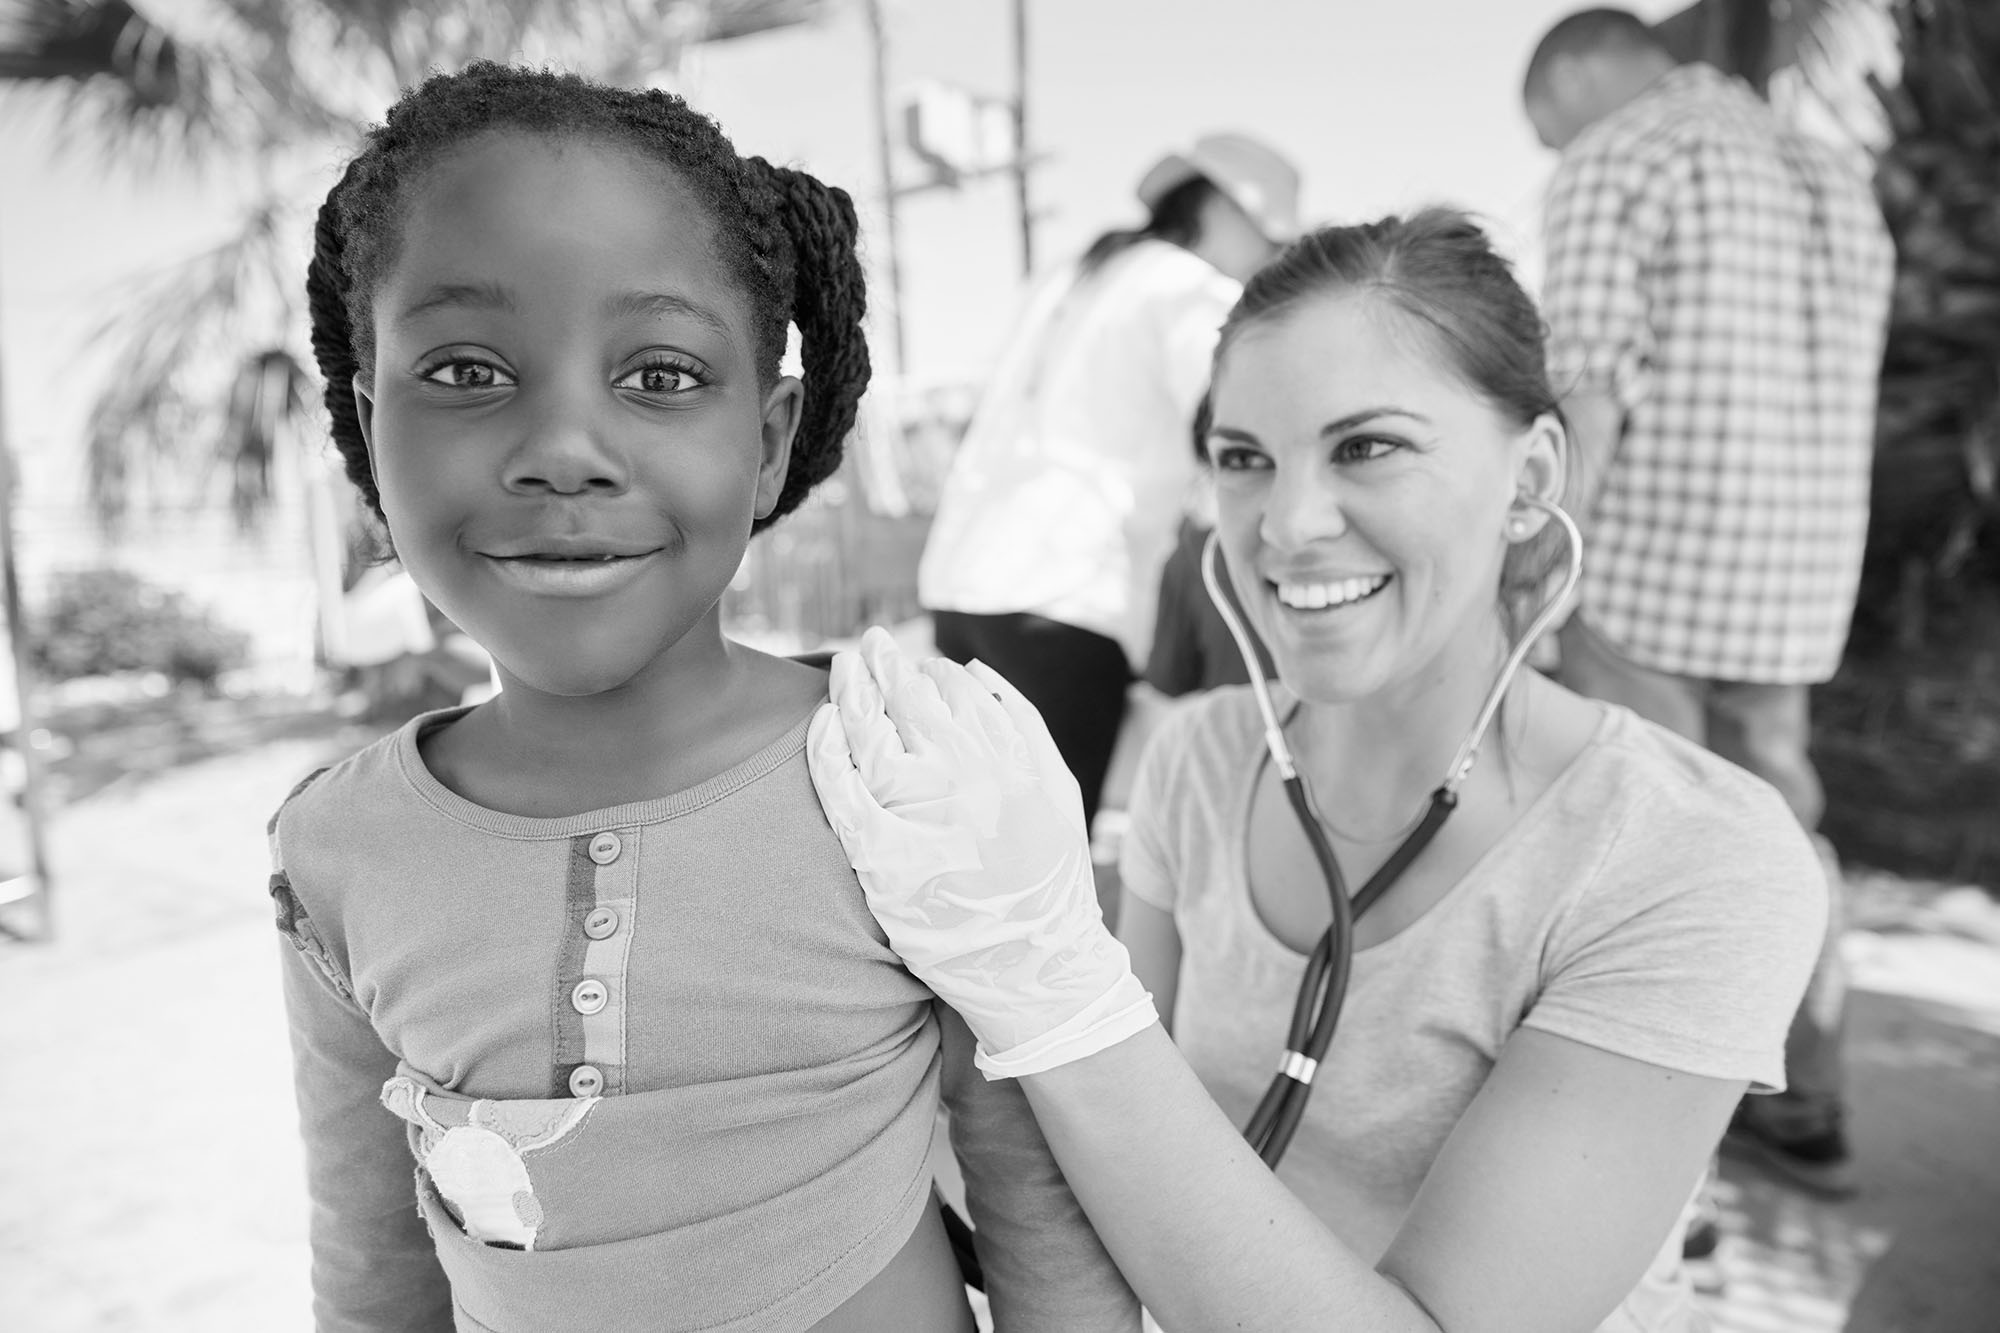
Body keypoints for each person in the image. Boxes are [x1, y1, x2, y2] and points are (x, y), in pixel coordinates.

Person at [809, 211, 1830, 1331]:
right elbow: (1102, 1159)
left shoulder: (1697, 855)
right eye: (1243, 459)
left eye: (1367, 446)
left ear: (1531, 475)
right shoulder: (1199, 761)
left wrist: (1048, 980)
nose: (1287, 524)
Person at [271, 63, 1136, 1333]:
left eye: (662, 376)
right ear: (366, 421)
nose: (562, 450)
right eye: (462, 369)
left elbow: (1032, 1190)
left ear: (769, 439)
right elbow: (370, 1261)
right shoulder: (337, 848)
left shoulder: (907, 768)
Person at [1525, 8, 1895, 1197]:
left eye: (1544, 129)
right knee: (1780, 836)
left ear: (1573, 76)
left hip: (1649, 575)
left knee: (1639, 854)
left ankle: (1650, 1163)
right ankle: (1803, 1107)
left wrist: (1535, 564)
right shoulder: (1830, 174)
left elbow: (1587, 384)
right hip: (1790, 587)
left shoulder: (1621, 152)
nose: (1553, 151)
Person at [916, 132, 1299, 829]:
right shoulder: (1190, 290)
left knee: (971, 842)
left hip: (963, 587)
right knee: (1044, 854)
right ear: (1223, 208)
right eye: (1272, 240)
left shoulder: (1075, 275)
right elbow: (1236, 422)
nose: (1271, 261)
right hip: (1064, 603)